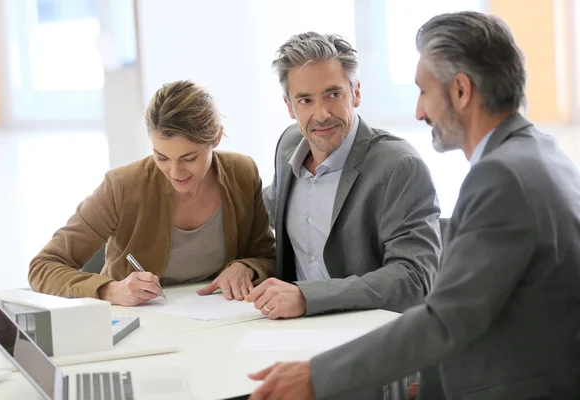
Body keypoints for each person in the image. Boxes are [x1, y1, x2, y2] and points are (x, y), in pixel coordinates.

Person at [248, 11, 580, 400]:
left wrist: (317, 376)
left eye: (423, 91)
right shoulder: (541, 153)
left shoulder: (500, 177)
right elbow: (480, 307)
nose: (419, 111)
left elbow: (445, 318)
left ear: (460, 91)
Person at [29, 80, 275, 306]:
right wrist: (109, 290)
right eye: (162, 157)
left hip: (223, 320)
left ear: (217, 138)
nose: (175, 171)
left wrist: (247, 266)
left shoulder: (242, 174)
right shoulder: (122, 186)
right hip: (138, 325)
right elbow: (43, 268)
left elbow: (267, 256)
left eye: (189, 158)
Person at [249, 32, 441, 321]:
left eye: (333, 95)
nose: (322, 114)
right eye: (305, 101)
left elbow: (414, 277)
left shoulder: (399, 166)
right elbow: (262, 217)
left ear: (357, 93)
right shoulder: (288, 146)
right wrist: (247, 265)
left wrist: (307, 297)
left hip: (367, 339)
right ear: (289, 106)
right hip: (289, 330)